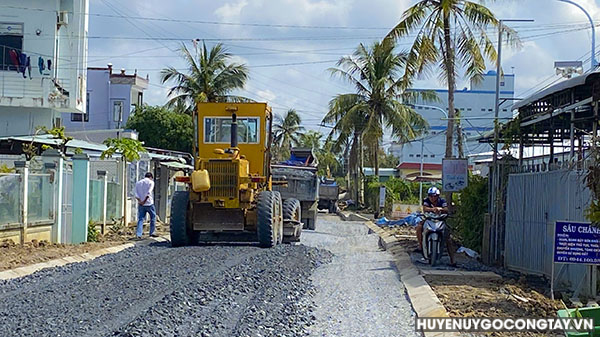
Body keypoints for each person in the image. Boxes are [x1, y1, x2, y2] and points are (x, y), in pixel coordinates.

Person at [415, 186, 456, 266]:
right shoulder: (426, 201)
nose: (432, 198)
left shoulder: (442, 201)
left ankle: (452, 259)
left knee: (448, 238)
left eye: (434, 196)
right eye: (430, 196)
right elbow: (425, 208)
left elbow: (446, 209)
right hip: (429, 219)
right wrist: (432, 209)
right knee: (419, 227)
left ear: (438, 196)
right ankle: (420, 245)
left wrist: (440, 209)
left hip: (440, 220)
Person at [135, 172, 157, 239]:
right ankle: (152, 232)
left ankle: (139, 234)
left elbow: (136, 194)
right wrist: (144, 201)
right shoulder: (151, 182)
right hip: (149, 203)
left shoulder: (138, 183)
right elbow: (149, 193)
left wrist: (140, 202)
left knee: (140, 219)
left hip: (141, 204)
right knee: (153, 217)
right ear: (151, 177)